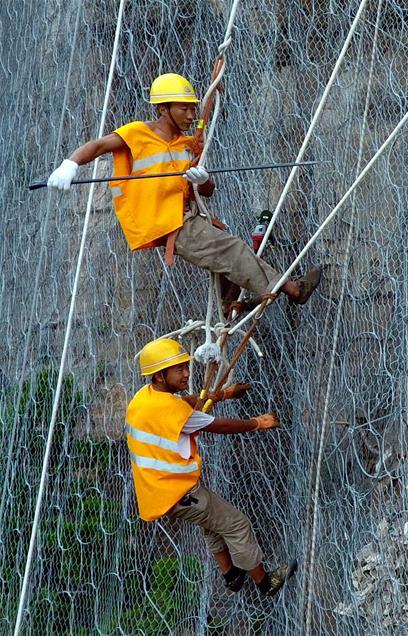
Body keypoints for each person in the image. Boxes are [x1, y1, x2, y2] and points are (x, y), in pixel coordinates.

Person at [45, 72, 320, 309]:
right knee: (232, 249)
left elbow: (208, 191)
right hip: (165, 223)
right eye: (183, 109)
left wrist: (202, 179)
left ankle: (230, 307)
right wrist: (70, 164)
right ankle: (291, 290)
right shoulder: (138, 133)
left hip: (186, 216)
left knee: (223, 248)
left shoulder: (188, 144)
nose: (191, 115)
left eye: (193, 108)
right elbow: (98, 146)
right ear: (163, 109)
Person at [126, 337, 296, 596]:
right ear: (160, 376)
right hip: (181, 494)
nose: (186, 374)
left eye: (186, 366)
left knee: (212, 524)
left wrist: (224, 394)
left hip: (161, 494)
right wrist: (257, 423)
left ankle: (231, 575)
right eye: (179, 369)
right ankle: (265, 583)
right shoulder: (172, 412)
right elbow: (217, 425)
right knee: (236, 524)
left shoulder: (144, 398)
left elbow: (186, 403)